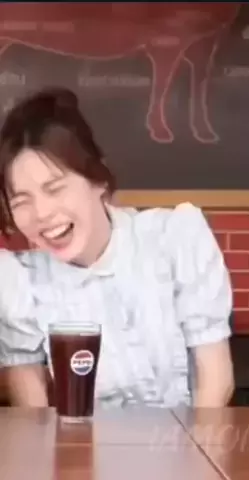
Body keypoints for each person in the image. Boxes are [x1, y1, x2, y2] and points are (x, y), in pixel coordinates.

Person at [0, 87, 234, 408]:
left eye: (54, 189)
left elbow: (215, 381)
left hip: (188, 435)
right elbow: (33, 412)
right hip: (84, 440)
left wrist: (195, 441)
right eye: (21, 201)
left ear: (97, 179)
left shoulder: (174, 238)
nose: (41, 213)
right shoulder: (19, 281)